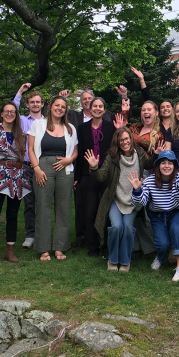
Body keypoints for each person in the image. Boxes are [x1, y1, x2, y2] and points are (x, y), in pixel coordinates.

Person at [130, 151, 179, 281]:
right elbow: (141, 202)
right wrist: (137, 190)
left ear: (174, 166)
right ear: (157, 166)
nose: (166, 166)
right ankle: (161, 257)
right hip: (157, 215)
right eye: (163, 163)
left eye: (170, 163)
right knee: (163, 244)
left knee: (176, 230)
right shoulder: (149, 181)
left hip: (176, 212)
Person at [84, 127, 154, 272]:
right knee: (116, 227)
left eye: (126, 138)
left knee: (128, 227)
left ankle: (125, 261)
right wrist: (94, 167)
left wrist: (156, 155)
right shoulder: (112, 157)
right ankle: (113, 259)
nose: (124, 142)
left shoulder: (140, 153)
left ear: (131, 139)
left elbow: (148, 164)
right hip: (116, 200)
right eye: (121, 140)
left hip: (133, 201)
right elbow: (101, 177)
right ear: (117, 142)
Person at [28, 96, 78, 261]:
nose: (60, 108)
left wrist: (69, 160)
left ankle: (59, 247)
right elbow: (30, 149)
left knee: (63, 208)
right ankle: (43, 249)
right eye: (57, 105)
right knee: (43, 207)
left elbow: (75, 150)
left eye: (63, 106)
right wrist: (36, 169)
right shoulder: (38, 124)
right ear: (50, 107)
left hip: (65, 169)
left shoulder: (70, 128)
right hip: (43, 168)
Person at [74, 97, 122, 258]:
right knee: (90, 211)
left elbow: (119, 147)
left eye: (101, 106)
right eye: (95, 106)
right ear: (90, 107)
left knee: (108, 210)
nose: (97, 108)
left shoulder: (111, 127)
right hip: (88, 174)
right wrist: (78, 176)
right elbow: (80, 153)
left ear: (104, 109)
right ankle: (93, 246)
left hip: (106, 172)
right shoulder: (82, 128)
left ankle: (107, 246)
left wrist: (120, 129)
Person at [0, 102, 32, 264]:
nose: (9, 114)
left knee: (13, 214)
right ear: (1, 114)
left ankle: (10, 250)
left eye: (13, 111)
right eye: (7, 111)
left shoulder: (22, 135)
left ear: (16, 115)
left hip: (17, 178)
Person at [128, 100, 166, 259]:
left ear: (156, 113)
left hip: (149, 174)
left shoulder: (159, 134)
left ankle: (150, 249)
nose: (146, 112)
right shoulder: (134, 128)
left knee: (147, 212)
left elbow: (159, 158)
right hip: (131, 172)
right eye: (143, 109)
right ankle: (136, 246)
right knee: (133, 210)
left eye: (149, 109)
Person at [17, 88, 46, 249]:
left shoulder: (47, 122)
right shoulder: (21, 120)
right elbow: (12, 108)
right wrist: (20, 92)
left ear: (42, 104)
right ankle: (30, 235)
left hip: (43, 166)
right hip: (26, 167)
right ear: (27, 105)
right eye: (32, 102)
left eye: (38, 102)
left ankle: (42, 233)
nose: (35, 104)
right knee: (29, 202)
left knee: (43, 201)